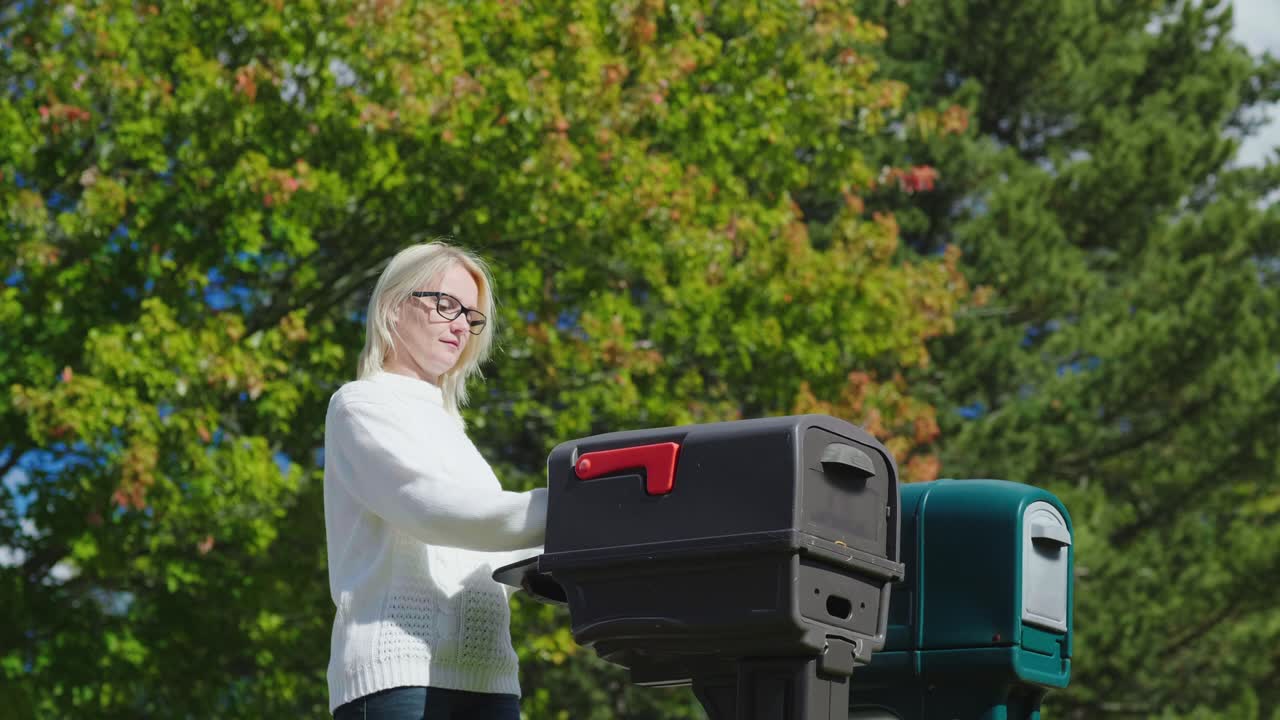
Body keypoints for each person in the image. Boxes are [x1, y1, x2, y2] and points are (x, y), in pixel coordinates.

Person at [324, 241, 548, 720]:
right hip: (397, 682)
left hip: (490, 683)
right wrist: (574, 504)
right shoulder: (361, 405)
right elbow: (428, 506)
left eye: (471, 315)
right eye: (446, 304)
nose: (461, 324)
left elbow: (499, 547)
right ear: (392, 305)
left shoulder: (454, 433)